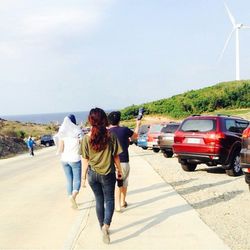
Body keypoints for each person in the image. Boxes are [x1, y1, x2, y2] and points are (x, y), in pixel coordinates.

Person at [81, 108, 123, 244]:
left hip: (93, 174)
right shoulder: (111, 136)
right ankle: (106, 225)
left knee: (99, 200)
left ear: (90, 120)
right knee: (109, 200)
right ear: (104, 119)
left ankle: (101, 228)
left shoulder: (86, 138)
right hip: (108, 173)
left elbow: (85, 159)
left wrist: (83, 177)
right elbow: (116, 156)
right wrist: (120, 170)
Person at [108, 111, 141, 212]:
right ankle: (121, 202)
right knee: (124, 182)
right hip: (124, 160)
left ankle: (119, 203)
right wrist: (137, 125)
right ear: (119, 120)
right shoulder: (124, 130)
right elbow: (135, 136)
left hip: (110, 162)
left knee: (117, 183)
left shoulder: (107, 132)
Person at [55, 114, 82, 209]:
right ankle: (73, 197)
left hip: (64, 160)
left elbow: (61, 149)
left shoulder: (62, 134)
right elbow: (82, 145)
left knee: (69, 180)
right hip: (75, 159)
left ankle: (71, 198)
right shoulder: (78, 132)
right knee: (77, 179)